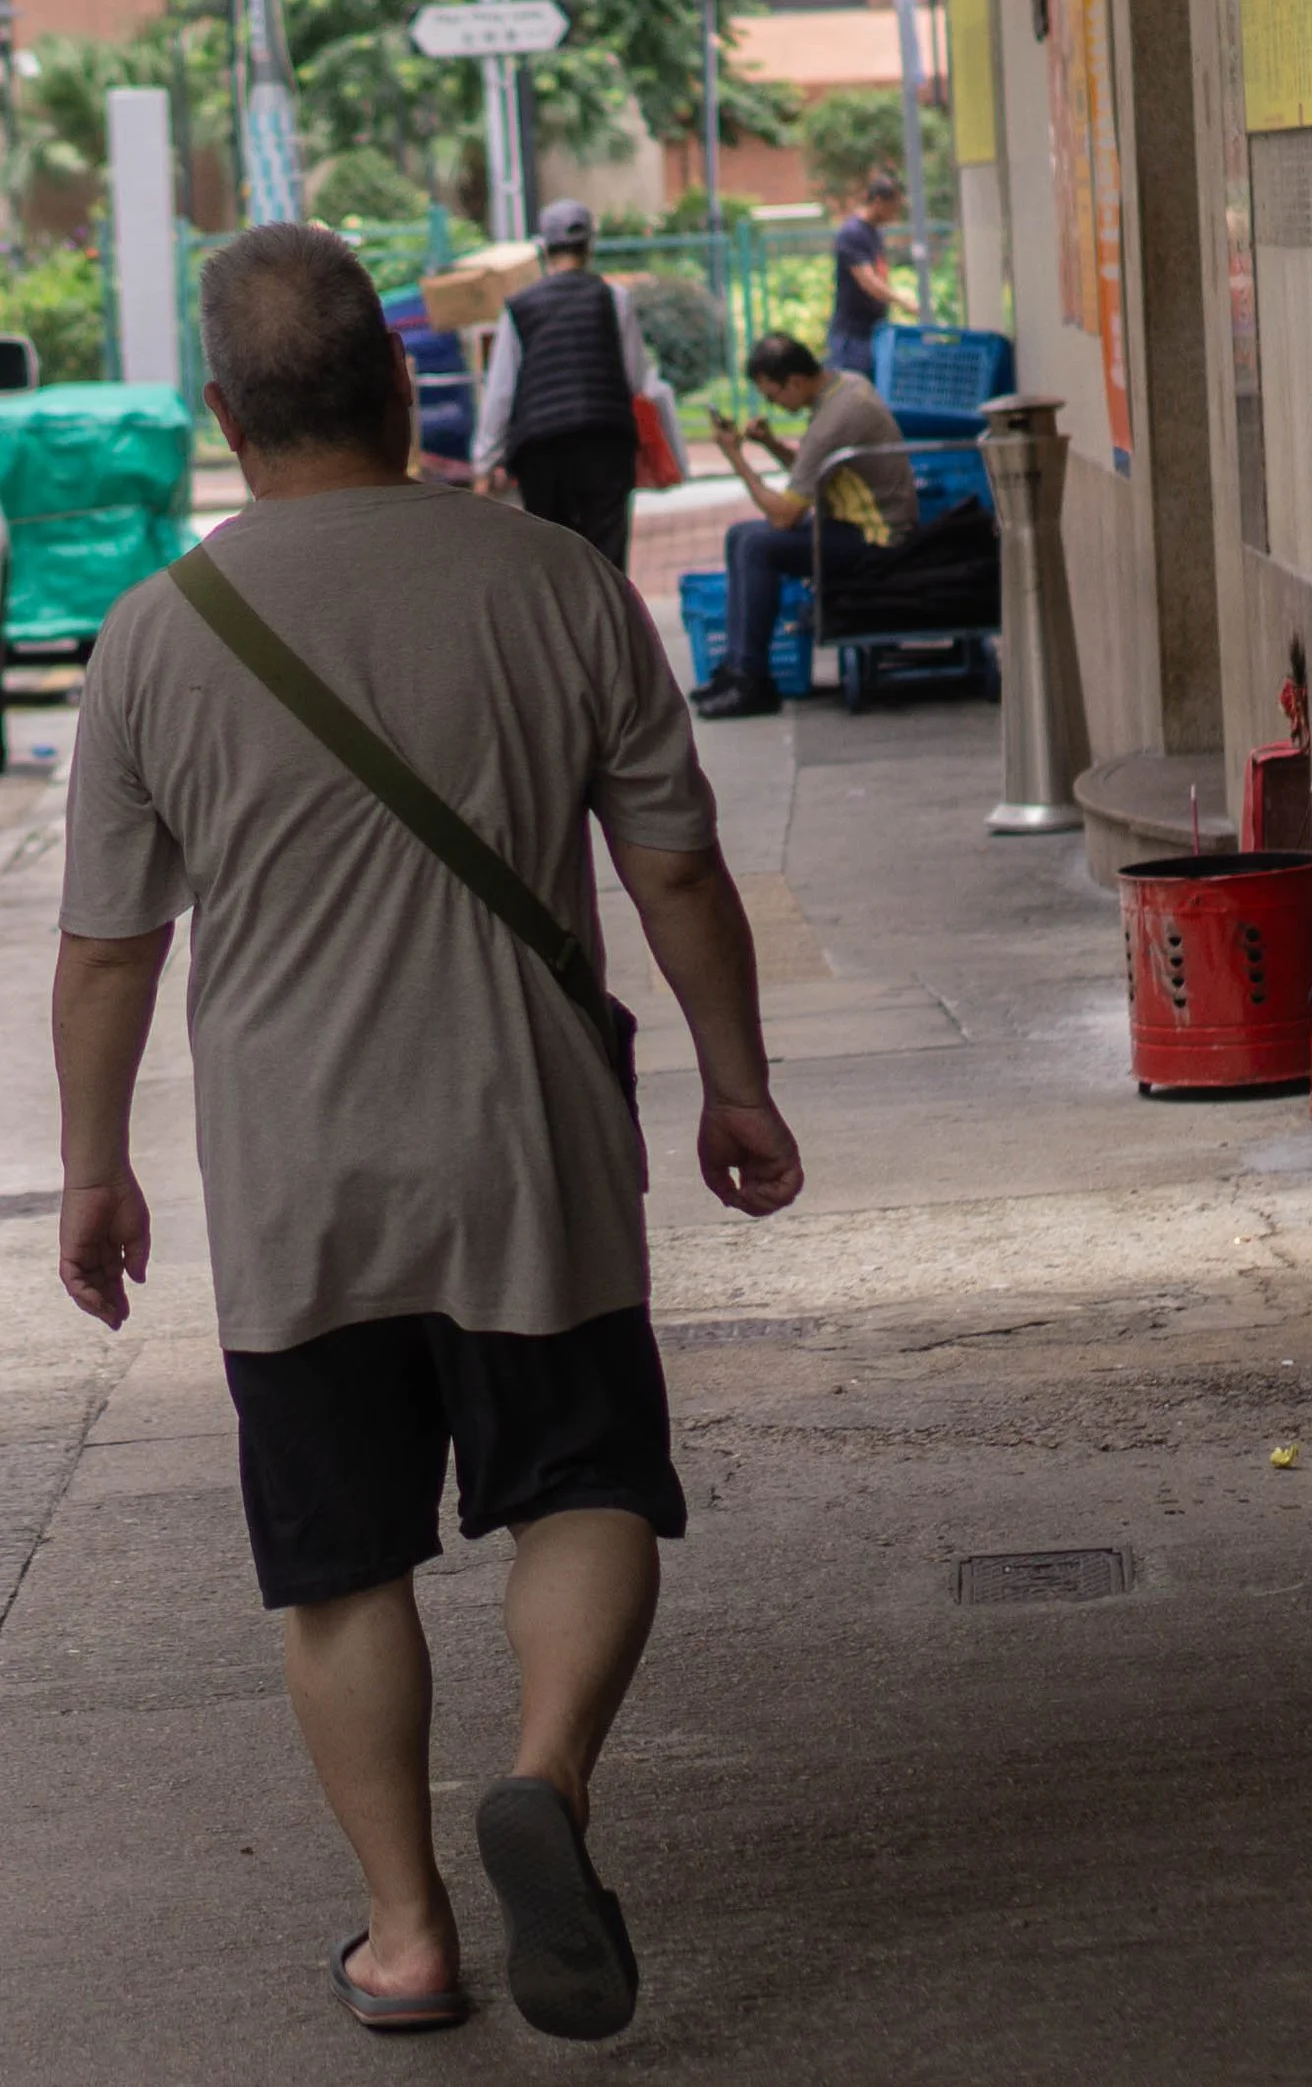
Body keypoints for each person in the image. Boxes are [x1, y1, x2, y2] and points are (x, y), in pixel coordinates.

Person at [54, 224, 802, 2042]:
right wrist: (733, 1075)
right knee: (589, 1484)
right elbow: (676, 863)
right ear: (405, 389)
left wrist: (94, 1167)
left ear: (226, 416)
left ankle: (408, 1933)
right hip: (525, 1139)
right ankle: (546, 1771)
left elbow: (108, 947)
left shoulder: (158, 636)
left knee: (341, 1556)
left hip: (301, 1175)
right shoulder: (553, 582)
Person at [694, 331, 919, 721]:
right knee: (741, 535)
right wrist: (770, 445)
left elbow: (784, 515)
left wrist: (736, 457)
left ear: (794, 382)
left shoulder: (834, 419)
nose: (773, 404)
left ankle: (752, 681)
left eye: (772, 395)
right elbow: (817, 471)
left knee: (756, 545)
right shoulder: (846, 386)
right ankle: (737, 668)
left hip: (876, 539)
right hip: (855, 525)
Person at [471, 199, 681, 571]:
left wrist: (486, 461)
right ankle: (608, 628)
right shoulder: (614, 298)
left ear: (543, 249)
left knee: (552, 557)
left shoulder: (519, 307)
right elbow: (637, 377)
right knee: (607, 558)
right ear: (590, 247)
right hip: (605, 440)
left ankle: (561, 628)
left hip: (541, 450)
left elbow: (501, 390)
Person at [825, 173, 904, 375]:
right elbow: (868, 281)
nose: (895, 214)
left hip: (873, 331)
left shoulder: (874, 233)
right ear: (878, 202)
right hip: (853, 337)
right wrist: (904, 301)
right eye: (893, 207)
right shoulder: (853, 233)